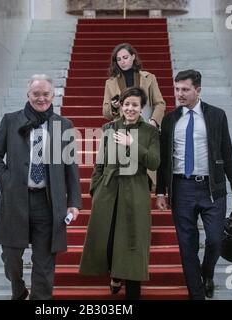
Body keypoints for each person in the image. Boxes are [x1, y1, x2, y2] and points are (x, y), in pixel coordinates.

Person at [0, 74, 82, 300]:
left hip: (48, 203)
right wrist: (6, 181)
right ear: (28, 95)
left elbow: (71, 167)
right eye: (36, 94)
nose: (41, 99)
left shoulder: (63, 125)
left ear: (53, 95)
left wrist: (74, 203)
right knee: (11, 257)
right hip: (16, 199)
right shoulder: (11, 120)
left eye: (46, 94)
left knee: (44, 263)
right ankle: (19, 291)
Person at [156, 69, 232, 300]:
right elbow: (164, 159)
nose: (180, 94)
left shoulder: (217, 116)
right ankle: (197, 294)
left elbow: (228, 153)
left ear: (198, 90)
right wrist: (160, 192)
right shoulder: (170, 120)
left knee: (215, 239)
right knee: (187, 245)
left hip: (211, 188)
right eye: (177, 89)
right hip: (181, 188)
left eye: (185, 89)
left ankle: (207, 273)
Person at [79, 87, 160, 300]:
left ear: (142, 108)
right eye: (127, 104)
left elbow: (154, 161)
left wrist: (132, 144)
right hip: (108, 192)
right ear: (121, 106)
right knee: (110, 237)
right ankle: (115, 275)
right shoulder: (109, 128)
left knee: (133, 242)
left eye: (135, 105)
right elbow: (100, 162)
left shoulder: (150, 132)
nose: (130, 108)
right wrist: (95, 188)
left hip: (136, 192)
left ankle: (133, 292)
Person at [102, 43, 166, 129]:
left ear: (133, 57)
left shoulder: (149, 78)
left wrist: (154, 121)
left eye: (125, 57)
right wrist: (114, 107)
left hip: (145, 126)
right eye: (119, 59)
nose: (122, 62)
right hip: (122, 129)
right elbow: (106, 114)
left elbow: (160, 104)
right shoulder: (110, 83)